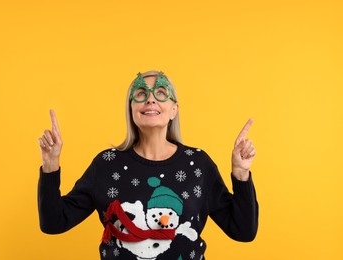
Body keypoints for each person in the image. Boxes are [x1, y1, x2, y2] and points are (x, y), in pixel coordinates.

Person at [37, 70, 258, 260]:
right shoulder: (106, 165)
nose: (150, 99)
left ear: (174, 109)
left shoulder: (198, 165)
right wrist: (50, 165)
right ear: (131, 109)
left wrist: (241, 173)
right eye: (141, 93)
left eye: (161, 93)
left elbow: (243, 231)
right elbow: (54, 223)